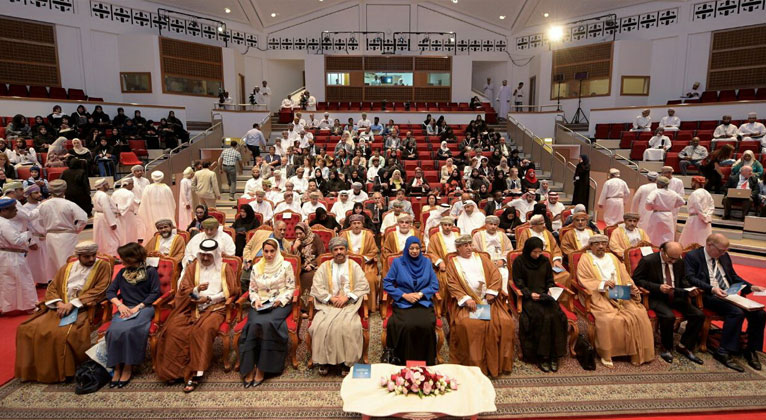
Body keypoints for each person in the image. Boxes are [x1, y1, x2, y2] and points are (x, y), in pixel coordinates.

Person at [15, 241, 111, 383]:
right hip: (58, 307)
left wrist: (72, 304)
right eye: (86, 256)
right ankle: (34, 372)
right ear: (78, 256)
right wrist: (59, 303)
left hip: (82, 308)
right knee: (26, 329)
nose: (91, 259)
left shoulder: (103, 266)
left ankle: (65, 372)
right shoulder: (67, 267)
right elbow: (52, 286)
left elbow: (101, 289)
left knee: (62, 333)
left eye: (93, 255)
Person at [154, 239, 239, 391]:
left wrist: (209, 298)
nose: (205, 258)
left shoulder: (224, 268)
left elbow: (231, 291)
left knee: (202, 330)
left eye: (209, 256)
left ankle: (195, 373)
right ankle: (175, 372)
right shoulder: (193, 267)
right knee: (174, 329)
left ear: (216, 255)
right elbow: (184, 289)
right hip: (191, 306)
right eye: (203, 255)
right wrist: (196, 290)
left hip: (215, 307)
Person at [685, 234, 766, 371]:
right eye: (721, 250)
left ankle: (750, 349)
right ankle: (723, 351)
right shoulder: (693, 256)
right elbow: (690, 278)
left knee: (759, 313)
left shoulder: (723, 256)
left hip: (729, 293)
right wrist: (712, 289)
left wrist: (750, 286)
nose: (723, 253)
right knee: (736, 313)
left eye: (725, 251)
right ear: (710, 245)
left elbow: (733, 276)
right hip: (708, 295)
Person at [575, 235, 654, 368]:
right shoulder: (585, 259)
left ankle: (636, 353)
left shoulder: (613, 258)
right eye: (597, 244)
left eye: (603, 244)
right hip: (598, 295)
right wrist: (603, 283)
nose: (601, 246)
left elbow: (625, 276)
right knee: (608, 319)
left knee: (639, 314)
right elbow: (584, 279)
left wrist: (631, 286)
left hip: (620, 293)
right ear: (591, 246)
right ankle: (607, 354)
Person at [446, 235, 514, 377]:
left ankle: (499, 365)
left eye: (470, 245)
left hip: (489, 301)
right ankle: (476, 367)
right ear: (458, 248)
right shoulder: (454, 263)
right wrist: (466, 299)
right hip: (468, 305)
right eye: (465, 246)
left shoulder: (482, 258)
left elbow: (496, 275)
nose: (469, 248)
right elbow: (452, 284)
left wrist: (491, 292)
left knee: (505, 322)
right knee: (470, 325)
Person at [632, 242, 704, 364]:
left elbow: (683, 280)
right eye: (671, 258)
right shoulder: (648, 261)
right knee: (668, 316)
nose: (673, 261)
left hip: (675, 295)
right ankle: (666, 348)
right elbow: (637, 280)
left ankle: (684, 346)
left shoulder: (679, 261)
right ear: (662, 251)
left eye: (676, 258)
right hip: (656, 296)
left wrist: (689, 289)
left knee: (698, 315)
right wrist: (658, 287)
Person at [308, 237, 370, 375]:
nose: (339, 252)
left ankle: (346, 363)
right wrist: (331, 298)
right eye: (335, 250)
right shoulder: (324, 267)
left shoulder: (353, 265)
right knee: (320, 326)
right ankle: (324, 361)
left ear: (346, 250)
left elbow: (363, 285)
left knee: (349, 327)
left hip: (348, 305)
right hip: (329, 305)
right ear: (331, 252)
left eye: (341, 249)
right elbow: (317, 286)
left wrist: (347, 297)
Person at [238, 238, 294, 387]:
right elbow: (252, 290)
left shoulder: (286, 266)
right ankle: (249, 367)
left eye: (272, 251)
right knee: (253, 324)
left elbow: (290, 288)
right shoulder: (257, 267)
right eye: (266, 251)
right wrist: (255, 300)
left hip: (280, 303)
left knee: (268, 323)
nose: (269, 254)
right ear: (262, 251)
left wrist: (279, 301)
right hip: (261, 303)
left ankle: (263, 368)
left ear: (277, 251)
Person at [105, 243, 160, 388]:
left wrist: (138, 307)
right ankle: (117, 367)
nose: (121, 260)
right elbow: (110, 292)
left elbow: (155, 293)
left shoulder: (150, 272)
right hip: (125, 308)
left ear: (133, 258)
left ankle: (128, 366)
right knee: (113, 331)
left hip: (145, 307)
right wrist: (120, 305)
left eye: (124, 258)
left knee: (129, 330)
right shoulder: (123, 273)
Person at [512, 237, 568, 372]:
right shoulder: (519, 262)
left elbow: (549, 279)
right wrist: (529, 294)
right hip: (529, 298)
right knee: (540, 317)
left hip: (544, 296)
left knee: (556, 315)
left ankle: (554, 355)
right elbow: (518, 282)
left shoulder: (544, 261)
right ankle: (541, 356)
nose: (537, 255)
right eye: (534, 252)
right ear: (528, 250)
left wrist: (550, 289)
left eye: (539, 252)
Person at [383, 236, 440, 365]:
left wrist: (421, 294)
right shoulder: (398, 263)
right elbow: (387, 283)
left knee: (425, 326)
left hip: (423, 302)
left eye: (417, 248)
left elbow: (434, 285)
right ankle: (402, 361)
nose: (414, 251)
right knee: (406, 326)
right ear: (406, 249)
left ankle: (426, 361)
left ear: (420, 249)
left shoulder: (426, 262)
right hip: (403, 303)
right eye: (411, 248)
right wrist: (404, 295)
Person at [37, 179, 88, 271]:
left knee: (53, 262)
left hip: (50, 236)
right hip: (67, 236)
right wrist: (76, 230)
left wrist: (46, 230)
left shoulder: (43, 205)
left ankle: (56, 283)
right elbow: (83, 219)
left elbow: (40, 221)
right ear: (65, 190)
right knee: (68, 262)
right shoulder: (69, 204)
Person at [0, 197, 37, 313]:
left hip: (7, 255)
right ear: (4, 210)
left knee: (7, 283)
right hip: (12, 256)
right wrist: (27, 234)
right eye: (13, 209)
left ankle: (7, 306)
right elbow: (16, 241)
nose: (16, 212)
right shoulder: (4, 223)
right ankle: (29, 305)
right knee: (22, 281)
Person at [340, 214, 380, 311]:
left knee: (370, 279)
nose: (356, 225)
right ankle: (348, 305)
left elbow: (374, 251)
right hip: (348, 263)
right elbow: (340, 250)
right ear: (351, 224)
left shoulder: (368, 235)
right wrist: (353, 256)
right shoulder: (344, 235)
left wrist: (362, 258)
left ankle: (370, 306)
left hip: (366, 264)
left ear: (362, 224)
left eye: (359, 223)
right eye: (354, 223)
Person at [516, 214, 570, 285]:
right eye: (541, 224)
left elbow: (555, 248)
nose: (544, 225)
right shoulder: (526, 233)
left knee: (565, 275)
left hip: (550, 264)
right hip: (532, 265)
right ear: (534, 225)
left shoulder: (547, 233)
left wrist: (556, 260)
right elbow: (522, 250)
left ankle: (556, 295)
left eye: (544, 223)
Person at [472, 215, 514, 293]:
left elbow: (509, 250)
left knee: (505, 274)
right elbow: (475, 251)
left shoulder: (502, 235)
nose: (493, 226)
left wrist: (502, 260)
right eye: (491, 224)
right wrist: (487, 262)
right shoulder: (478, 235)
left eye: (495, 224)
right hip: (484, 264)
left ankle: (503, 298)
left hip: (500, 264)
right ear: (486, 224)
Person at [291, 222, 325, 305]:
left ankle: (310, 306)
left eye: (300, 233)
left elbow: (321, 254)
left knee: (309, 277)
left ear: (306, 232)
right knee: (295, 275)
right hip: (302, 266)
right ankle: (299, 305)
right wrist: (295, 247)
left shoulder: (315, 238)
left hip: (315, 265)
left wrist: (312, 264)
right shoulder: (297, 242)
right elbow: (295, 259)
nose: (298, 236)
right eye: (297, 234)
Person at [137, 171, 177, 241]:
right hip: (165, 210)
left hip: (152, 211)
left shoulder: (148, 188)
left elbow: (144, 203)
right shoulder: (166, 188)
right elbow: (172, 203)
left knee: (153, 226)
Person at [645, 176, 685, 245]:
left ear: (659, 184)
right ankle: (668, 250)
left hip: (657, 215)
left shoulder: (656, 192)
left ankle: (654, 250)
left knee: (654, 234)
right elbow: (682, 202)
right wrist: (672, 206)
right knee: (668, 235)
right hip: (668, 215)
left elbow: (648, 201)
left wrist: (650, 208)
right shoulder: (673, 192)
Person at [679, 177, 714, 247]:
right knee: (703, 239)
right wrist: (707, 216)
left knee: (691, 240)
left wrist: (703, 217)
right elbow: (711, 207)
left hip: (695, 220)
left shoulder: (695, 193)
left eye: (692, 182)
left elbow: (697, 206)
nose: (691, 184)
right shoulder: (708, 193)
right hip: (705, 219)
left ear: (696, 183)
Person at [91, 178, 120, 256]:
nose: (108, 186)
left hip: (100, 217)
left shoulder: (97, 194)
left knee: (102, 237)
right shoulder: (103, 195)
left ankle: (103, 253)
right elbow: (106, 209)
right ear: (102, 186)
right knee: (110, 237)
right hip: (105, 218)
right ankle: (112, 255)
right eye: (106, 184)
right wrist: (112, 223)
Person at [112, 178, 141, 244]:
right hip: (128, 215)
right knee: (130, 232)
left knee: (121, 232)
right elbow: (128, 205)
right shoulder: (130, 193)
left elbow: (112, 204)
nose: (133, 186)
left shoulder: (115, 193)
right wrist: (122, 212)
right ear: (128, 184)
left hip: (118, 215)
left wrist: (118, 211)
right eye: (132, 184)